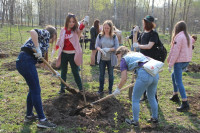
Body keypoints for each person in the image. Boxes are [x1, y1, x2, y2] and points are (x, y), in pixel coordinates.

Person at [16, 25, 58, 128]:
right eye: (55, 37)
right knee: (36, 90)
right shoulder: (46, 34)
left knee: (33, 89)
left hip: (23, 62)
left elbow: (42, 64)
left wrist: (54, 72)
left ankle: (29, 115)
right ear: (53, 35)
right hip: (25, 60)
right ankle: (42, 120)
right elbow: (32, 31)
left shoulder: (44, 45)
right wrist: (37, 48)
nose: (54, 40)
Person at [113, 46, 159, 127]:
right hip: (154, 73)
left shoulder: (124, 59)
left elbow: (124, 79)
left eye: (117, 56)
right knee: (151, 96)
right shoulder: (137, 54)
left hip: (144, 74)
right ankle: (155, 118)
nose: (117, 58)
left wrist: (118, 89)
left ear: (120, 53)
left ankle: (135, 121)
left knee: (135, 98)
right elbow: (151, 60)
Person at [55, 13, 89, 94]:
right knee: (63, 71)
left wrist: (84, 23)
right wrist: (55, 48)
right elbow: (60, 40)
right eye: (70, 21)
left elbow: (80, 28)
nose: (71, 23)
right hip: (64, 54)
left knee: (75, 72)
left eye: (73, 22)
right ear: (67, 22)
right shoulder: (63, 30)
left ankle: (81, 89)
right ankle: (62, 88)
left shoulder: (76, 31)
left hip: (73, 54)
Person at [132, 15, 160, 101]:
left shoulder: (153, 34)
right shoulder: (143, 33)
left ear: (151, 24)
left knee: (152, 78)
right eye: (144, 22)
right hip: (143, 59)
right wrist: (134, 33)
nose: (145, 24)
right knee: (143, 77)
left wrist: (139, 46)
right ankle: (145, 96)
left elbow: (149, 46)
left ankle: (154, 98)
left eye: (146, 22)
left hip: (152, 59)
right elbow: (135, 43)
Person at [167, 21, 193, 112]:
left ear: (177, 28)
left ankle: (185, 103)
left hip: (179, 62)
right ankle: (175, 95)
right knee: (173, 75)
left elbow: (175, 52)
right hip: (186, 61)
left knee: (179, 82)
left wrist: (170, 64)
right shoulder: (188, 36)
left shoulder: (179, 37)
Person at [95, 20, 119, 95]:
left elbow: (117, 47)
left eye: (108, 28)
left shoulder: (114, 36)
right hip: (102, 58)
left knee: (111, 75)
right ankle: (100, 89)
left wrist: (109, 49)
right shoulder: (100, 36)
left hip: (110, 59)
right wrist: (101, 50)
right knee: (101, 74)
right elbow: (96, 46)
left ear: (111, 28)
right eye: (105, 28)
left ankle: (110, 90)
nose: (106, 29)